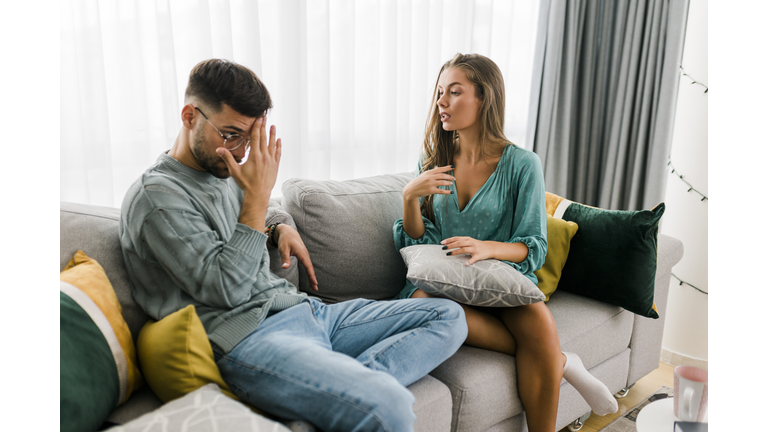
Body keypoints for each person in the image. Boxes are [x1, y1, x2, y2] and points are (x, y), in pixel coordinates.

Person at [119, 58, 468, 432]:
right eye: (231, 134)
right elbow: (226, 290)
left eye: (250, 138)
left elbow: (259, 212)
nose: (240, 152)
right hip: (249, 338)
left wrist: (278, 225)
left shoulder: (219, 169)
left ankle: (348, 384)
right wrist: (257, 199)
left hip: (307, 313)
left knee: (448, 316)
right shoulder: (157, 198)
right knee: (390, 407)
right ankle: (358, 391)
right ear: (190, 116)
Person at [393, 53, 618, 432]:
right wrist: (409, 197)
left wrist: (487, 248)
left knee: (537, 318)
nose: (441, 102)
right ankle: (562, 361)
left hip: (499, 279)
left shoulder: (522, 164)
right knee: (423, 303)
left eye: (454, 92)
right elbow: (421, 240)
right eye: (439, 93)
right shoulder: (434, 159)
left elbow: (533, 246)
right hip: (447, 284)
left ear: (484, 99)